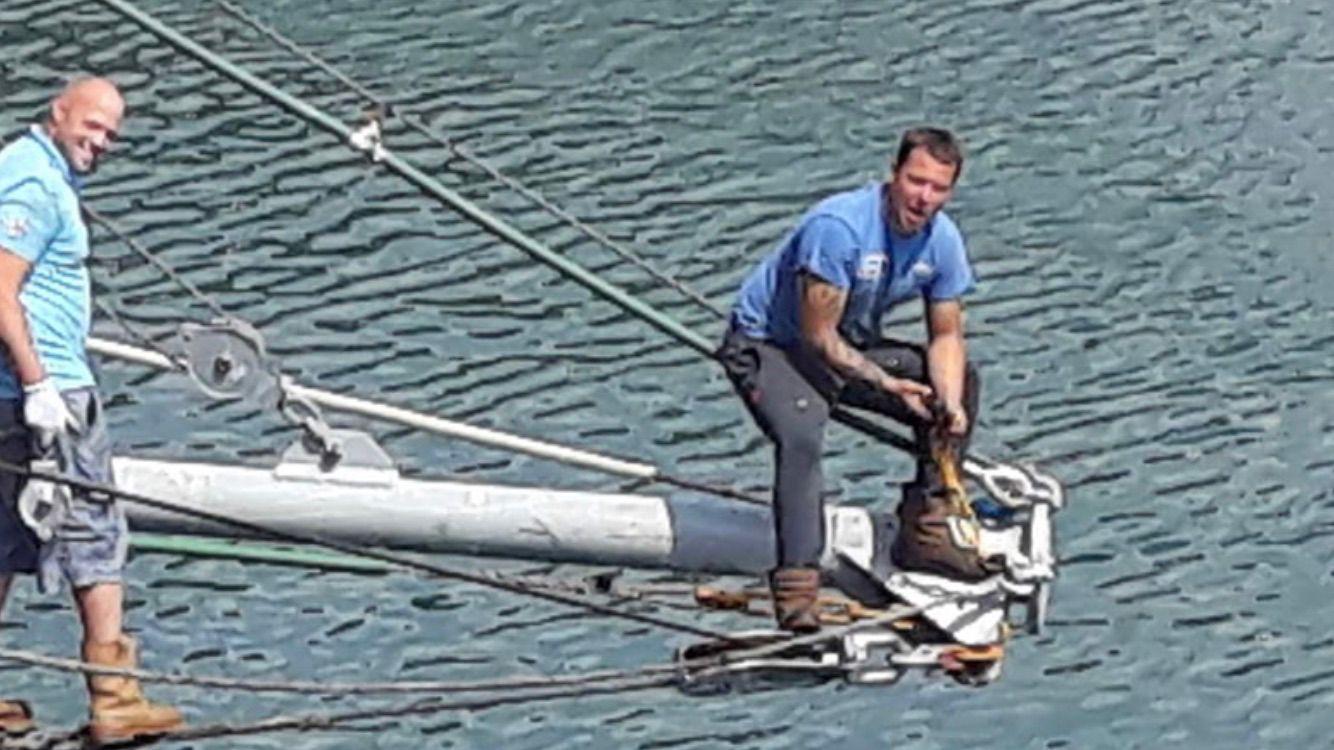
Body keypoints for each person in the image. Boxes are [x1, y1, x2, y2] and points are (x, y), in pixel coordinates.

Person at [719, 127, 983, 633]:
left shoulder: (942, 241)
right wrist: (886, 385)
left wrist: (947, 403)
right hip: (774, 346)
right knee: (800, 439)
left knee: (959, 384)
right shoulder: (839, 228)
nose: (923, 199)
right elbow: (820, 337)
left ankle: (927, 526)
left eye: (938, 189)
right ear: (894, 175)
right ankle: (797, 585)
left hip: (852, 343)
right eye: (915, 182)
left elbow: (946, 336)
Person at [0, 77, 183, 743]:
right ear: (57, 112)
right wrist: (40, 384)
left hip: (11, 394)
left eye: (111, 134)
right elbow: (0, 287)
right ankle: (114, 695)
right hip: (47, 394)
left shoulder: (27, 171)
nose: (101, 142)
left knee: (2, 541)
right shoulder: (33, 183)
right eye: (93, 126)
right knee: (96, 532)